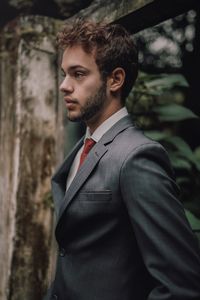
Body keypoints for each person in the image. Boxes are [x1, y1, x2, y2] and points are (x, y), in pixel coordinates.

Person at [44, 19, 200, 300]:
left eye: (78, 74)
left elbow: (182, 284)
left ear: (115, 79)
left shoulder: (137, 158)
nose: (64, 86)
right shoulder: (82, 148)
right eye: (64, 74)